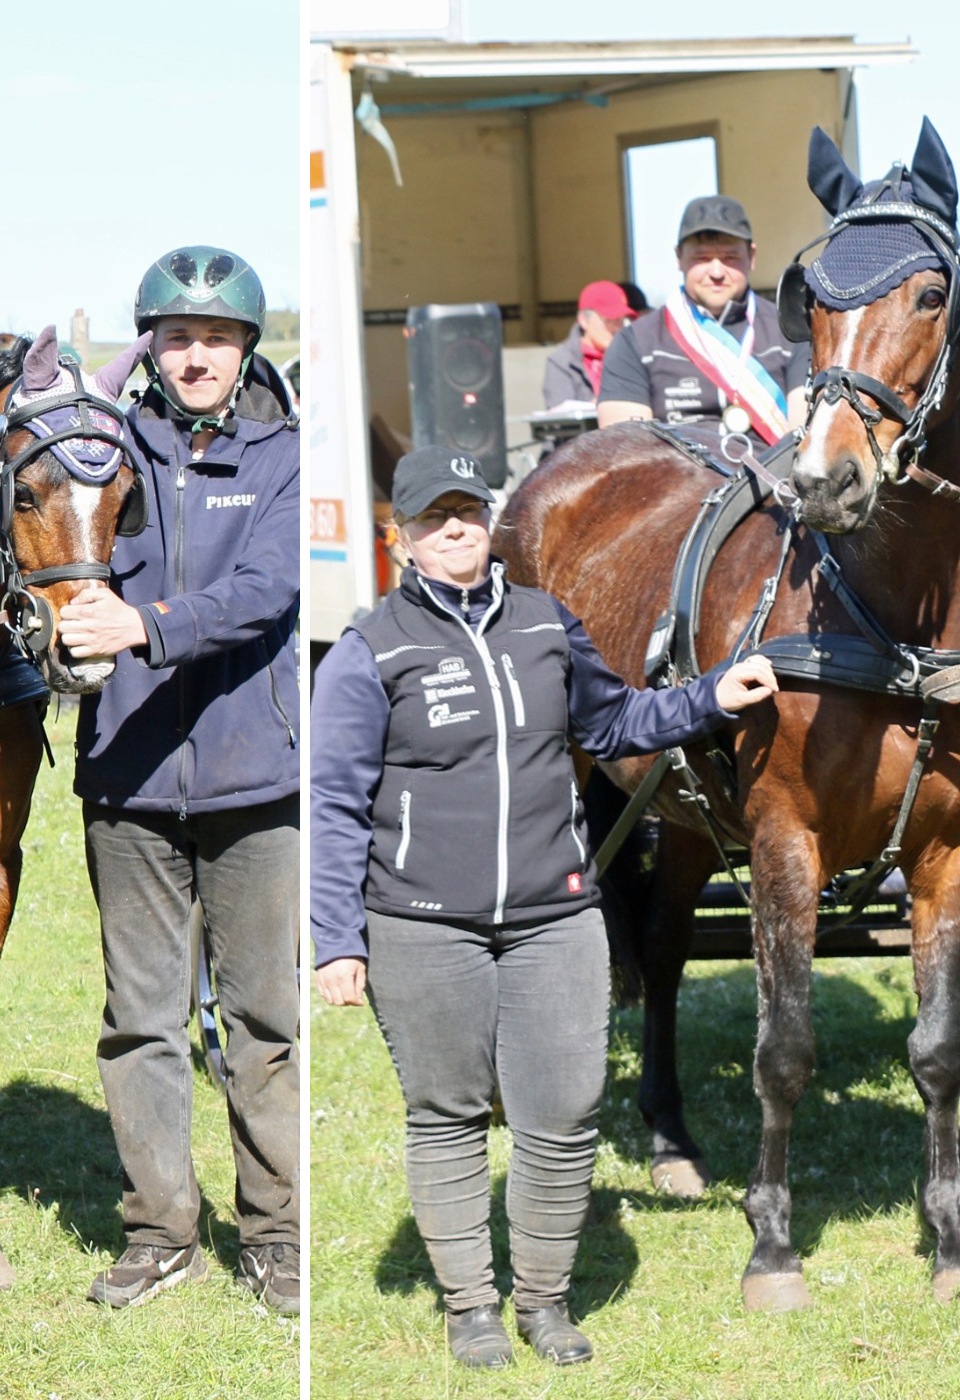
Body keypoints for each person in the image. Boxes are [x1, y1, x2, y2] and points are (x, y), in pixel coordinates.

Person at [309, 444, 778, 1369]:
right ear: (401, 538)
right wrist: (335, 937)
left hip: (556, 916)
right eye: (436, 518)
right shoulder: (372, 653)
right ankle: (470, 1307)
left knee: (564, 1111)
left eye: (470, 514)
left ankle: (544, 1302)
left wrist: (710, 698)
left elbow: (614, 726)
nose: (457, 531)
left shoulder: (545, 624)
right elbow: (331, 804)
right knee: (446, 1112)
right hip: (422, 921)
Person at [55, 246, 301, 1315]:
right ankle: (159, 1230)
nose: (196, 355)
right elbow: (59, 560)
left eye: (217, 336)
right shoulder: (103, 450)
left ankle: (278, 1238)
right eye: (177, 335)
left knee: (262, 1019)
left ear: (246, 345)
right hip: (129, 776)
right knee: (139, 1019)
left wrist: (144, 625)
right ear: (149, 346)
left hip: (255, 777)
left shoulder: (286, 455)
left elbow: (267, 589)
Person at [597, 195, 808, 447]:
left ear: (751, 256)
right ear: (679, 257)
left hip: (772, 481)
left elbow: (804, 437)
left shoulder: (793, 331)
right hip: (673, 482)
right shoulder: (634, 342)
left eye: (730, 257)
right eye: (702, 258)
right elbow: (625, 450)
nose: (717, 272)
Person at [541, 281, 636, 408]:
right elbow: (558, 422)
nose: (617, 328)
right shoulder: (562, 363)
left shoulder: (631, 357)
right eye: (609, 320)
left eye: (620, 320)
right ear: (584, 321)